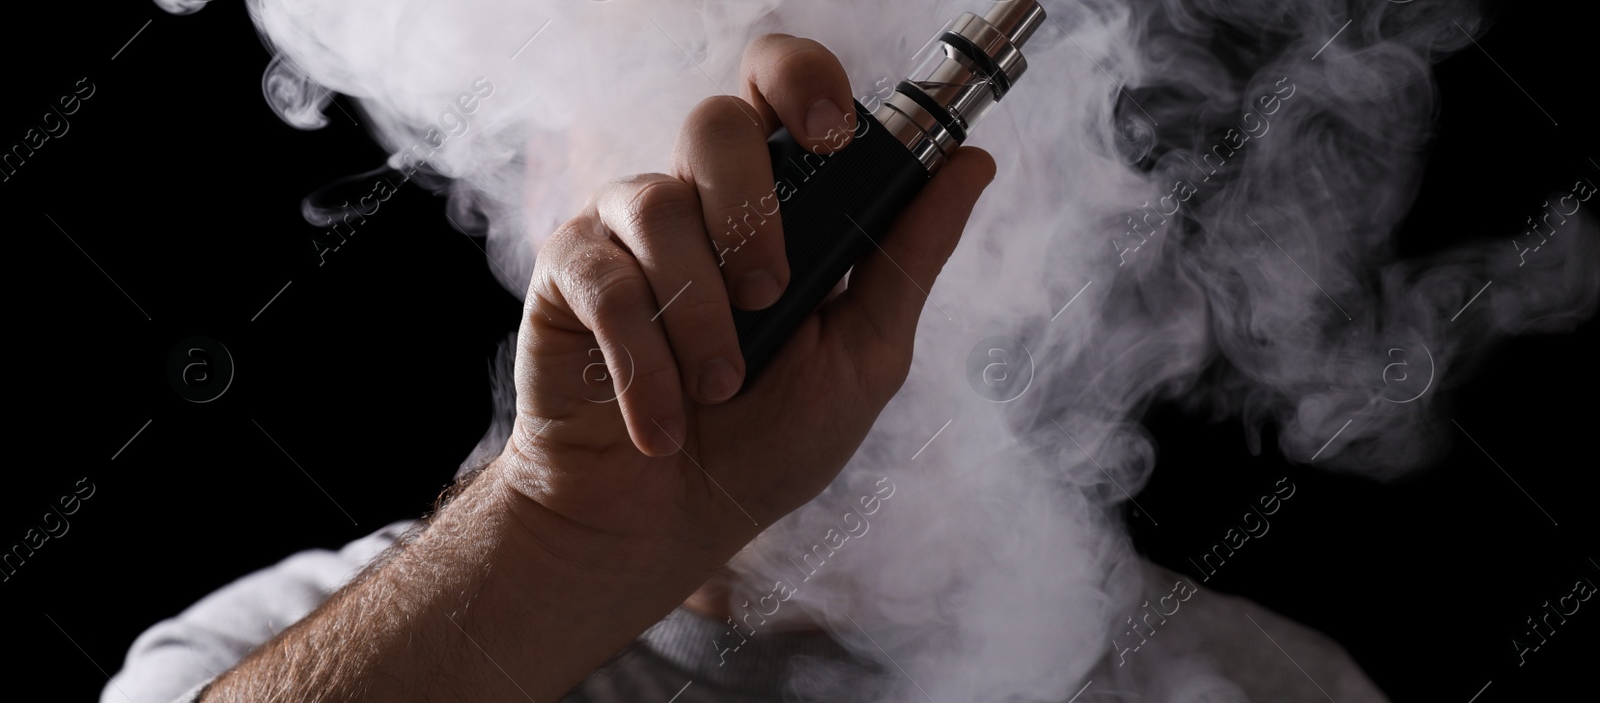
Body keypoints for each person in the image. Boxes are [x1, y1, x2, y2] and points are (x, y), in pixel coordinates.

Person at [105, 36, 1389, 703]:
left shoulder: (1256, 688)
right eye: (706, 143)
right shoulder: (266, 652)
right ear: (544, 182)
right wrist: (558, 541)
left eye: (878, 140)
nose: (799, 220)